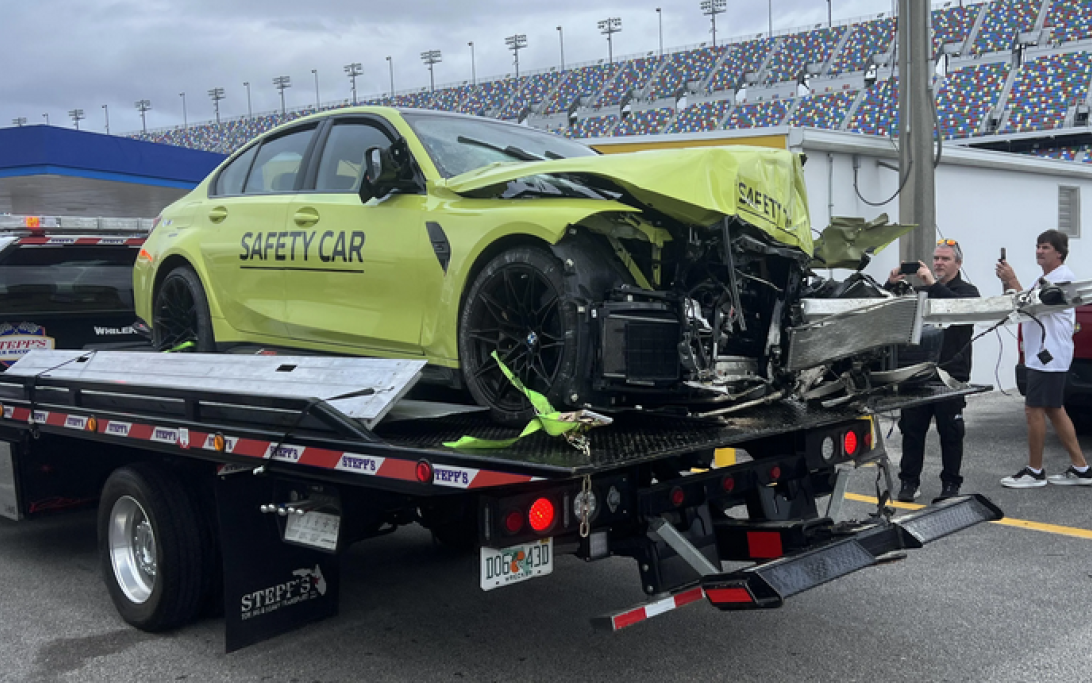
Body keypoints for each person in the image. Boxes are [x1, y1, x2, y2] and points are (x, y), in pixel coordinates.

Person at [996, 229, 1091, 487]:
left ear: (1059, 253)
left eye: (1046, 247)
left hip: (1048, 357)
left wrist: (1013, 279)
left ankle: (1035, 471)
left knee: (1033, 409)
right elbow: (1022, 302)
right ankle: (1081, 468)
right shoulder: (1044, 279)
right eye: (1038, 246)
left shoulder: (1062, 280)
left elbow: (1033, 306)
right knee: (1054, 409)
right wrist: (1009, 284)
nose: (1039, 251)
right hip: (1044, 356)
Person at [888, 239, 980, 502]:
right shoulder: (920, 290)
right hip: (916, 373)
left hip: (950, 374)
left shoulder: (967, 291)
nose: (939, 263)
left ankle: (951, 484)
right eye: (936, 258)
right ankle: (909, 482)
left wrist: (932, 284)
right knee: (912, 430)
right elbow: (887, 308)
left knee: (951, 433)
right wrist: (891, 284)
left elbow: (958, 311)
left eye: (946, 259)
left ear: (958, 264)